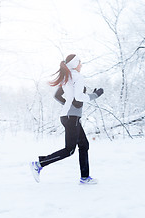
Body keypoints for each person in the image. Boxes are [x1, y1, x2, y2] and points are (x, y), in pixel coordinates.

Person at [30, 54, 104, 184]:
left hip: (67, 116)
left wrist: (69, 103)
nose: (81, 64)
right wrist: (95, 95)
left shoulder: (67, 78)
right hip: (72, 118)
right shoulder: (77, 77)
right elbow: (79, 97)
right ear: (75, 64)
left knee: (84, 145)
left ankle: (85, 177)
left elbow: (58, 95)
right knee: (69, 150)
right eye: (80, 62)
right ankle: (39, 164)